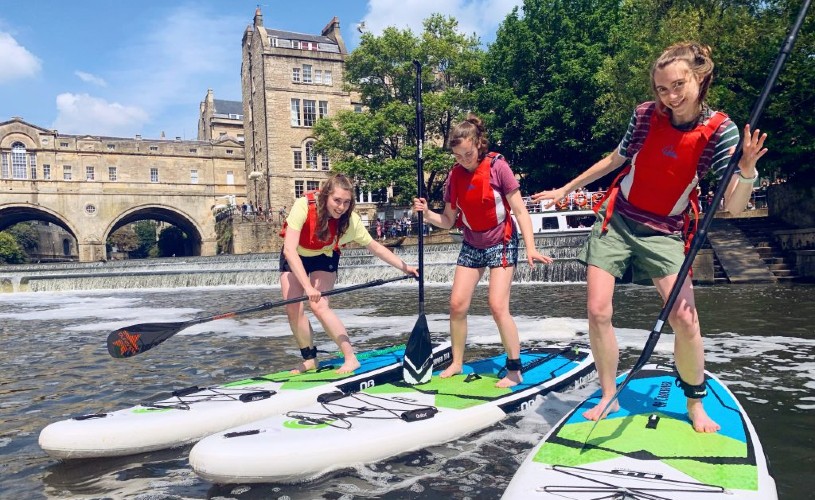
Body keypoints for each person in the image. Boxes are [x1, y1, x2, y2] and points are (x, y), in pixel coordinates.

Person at [532, 42, 767, 433]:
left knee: (686, 320)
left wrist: (745, 171)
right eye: (661, 89)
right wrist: (564, 190)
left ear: (700, 78)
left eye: (678, 86)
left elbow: (734, 205)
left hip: (665, 232)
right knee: (598, 310)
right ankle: (609, 393)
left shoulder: (721, 132)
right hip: (617, 220)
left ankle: (695, 404)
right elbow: (615, 159)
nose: (670, 97)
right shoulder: (645, 115)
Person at [413, 114, 553, 388]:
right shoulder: (454, 176)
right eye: (457, 156)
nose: (463, 160)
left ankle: (514, 369)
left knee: (497, 305)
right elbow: (448, 220)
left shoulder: (498, 167)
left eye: (468, 153)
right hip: (472, 242)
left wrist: (531, 247)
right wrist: (427, 213)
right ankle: (456, 361)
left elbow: (521, 211)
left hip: (502, 240)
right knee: (456, 305)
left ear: (479, 144)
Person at [280, 173, 418, 373]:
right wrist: (307, 286)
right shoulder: (303, 205)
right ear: (325, 195)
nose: (340, 207)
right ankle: (310, 359)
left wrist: (405, 267)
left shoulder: (350, 221)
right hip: (295, 254)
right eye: (337, 200)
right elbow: (289, 251)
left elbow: (376, 248)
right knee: (293, 307)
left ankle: (350, 357)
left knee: (318, 305)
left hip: (324, 256)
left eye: (346, 202)